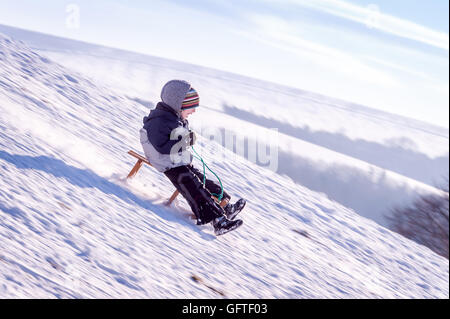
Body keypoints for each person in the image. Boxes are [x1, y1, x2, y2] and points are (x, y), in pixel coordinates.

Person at [140, 79, 246, 235]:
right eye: (190, 108)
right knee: (190, 182)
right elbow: (162, 146)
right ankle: (217, 220)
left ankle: (225, 206)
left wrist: (186, 138)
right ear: (177, 104)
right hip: (163, 159)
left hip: (174, 159)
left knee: (201, 179)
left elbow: (176, 139)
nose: (194, 111)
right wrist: (183, 142)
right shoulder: (159, 121)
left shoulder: (175, 118)